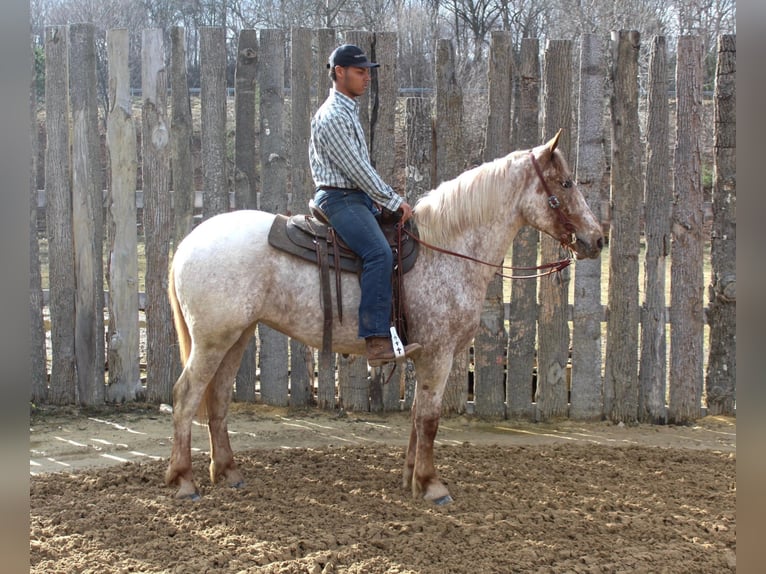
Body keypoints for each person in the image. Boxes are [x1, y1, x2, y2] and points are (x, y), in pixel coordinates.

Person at [309, 44, 422, 367]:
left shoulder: (346, 111)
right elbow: (357, 169)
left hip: (355, 197)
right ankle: (375, 340)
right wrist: (392, 199)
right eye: (360, 72)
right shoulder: (332, 116)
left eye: (367, 72)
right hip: (340, 198)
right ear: (339, 72)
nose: (366, 78)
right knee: (378, 253)